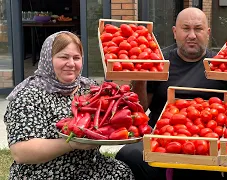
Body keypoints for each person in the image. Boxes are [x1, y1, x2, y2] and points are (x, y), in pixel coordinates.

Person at [115, 7, 227, 180]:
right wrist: (140, 76)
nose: (192, 35)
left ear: (208, 32)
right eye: (186, 28)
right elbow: (139, 110)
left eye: (198, 29)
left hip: (214, 139)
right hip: (163, 137)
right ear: (175, 32)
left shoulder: (224, 64)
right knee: (128, 156)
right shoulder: (158, 63)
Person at [3, 31, 134, 180]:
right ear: (48, 59)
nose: (71, 64)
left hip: (88, 168)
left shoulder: (90, 88)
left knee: (121, 171)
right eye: (63, 57)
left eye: (76, 58)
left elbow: (110, 121)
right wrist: (71, 144)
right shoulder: (28, 95)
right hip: (43, 172)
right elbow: (21, 153)